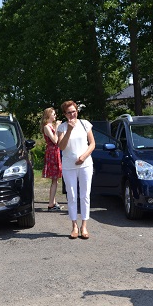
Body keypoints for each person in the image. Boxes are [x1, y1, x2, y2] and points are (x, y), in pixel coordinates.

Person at [57, 101, 95, 239]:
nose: (72, 114)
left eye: (74, 111)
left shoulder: (85, 124)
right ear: (65, 114)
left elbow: (92, 144)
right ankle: (74, 226)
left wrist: (84, 157)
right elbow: (61, 147)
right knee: (72, 195)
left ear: (77, 111)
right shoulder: (62, 127)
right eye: (69, 112)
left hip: (85, 164)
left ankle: (84, 226)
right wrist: (69, 129)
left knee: (85, 195)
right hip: (69, 166)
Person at [40, 107, 63, 211]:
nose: (55, 116)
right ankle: (51, 204)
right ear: (48, 115)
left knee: (55, 179)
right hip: (52, 152)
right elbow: (54, 140)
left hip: (55, 151)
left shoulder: (50, 126)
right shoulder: (46, 127)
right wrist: (57, 127)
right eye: (53, 114)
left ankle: (53, 202)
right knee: (54, 179)